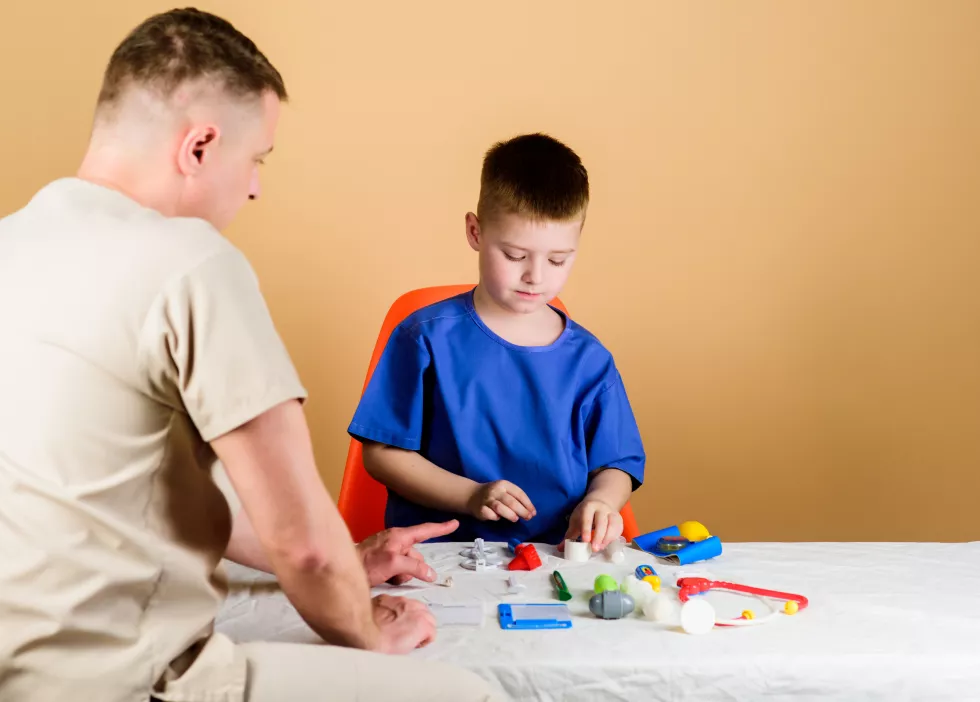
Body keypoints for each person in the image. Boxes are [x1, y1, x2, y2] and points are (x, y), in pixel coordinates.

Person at [0, 9, 504, 702]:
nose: (257, 186)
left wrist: (353, 562)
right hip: (124, 684)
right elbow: (303, 544)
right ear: (201, 146)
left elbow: (148, 494)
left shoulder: (13, 245)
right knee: (472, 694)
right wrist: (368, 636)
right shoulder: (190, 262)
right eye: (257, 159)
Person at [349, 133, 645, 553]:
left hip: (556, 558)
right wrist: (470, 496)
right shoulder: (425, 338)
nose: (536, 276)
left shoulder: (590, 361)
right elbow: (381, 454)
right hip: (442, 559)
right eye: (514, 255)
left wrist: (601, 501)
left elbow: (616, 463)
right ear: (475, 231)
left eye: (558, 260)